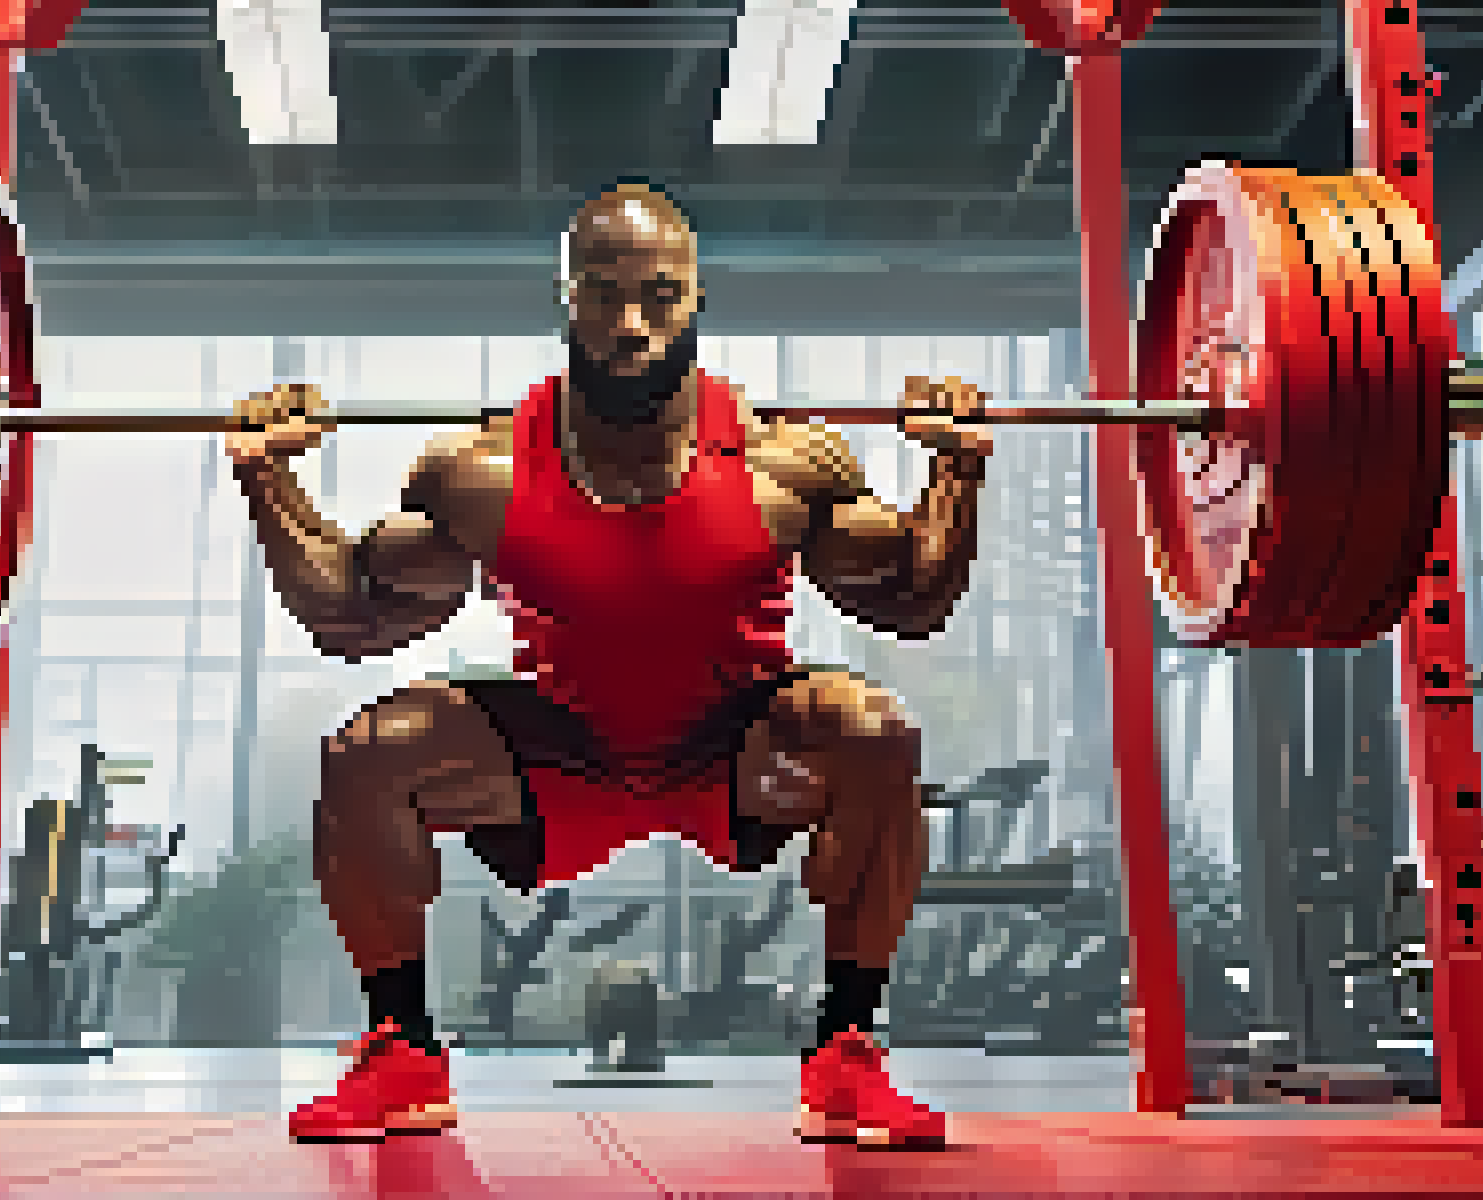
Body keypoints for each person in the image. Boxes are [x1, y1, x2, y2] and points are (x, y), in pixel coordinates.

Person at [228, 180, 991, 1148]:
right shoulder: (481, 473)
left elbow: (912, 602)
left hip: (738, 750)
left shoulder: (783, 463)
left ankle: (846, 1051)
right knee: (368, 752)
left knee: (872, 732)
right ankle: (402, 1052)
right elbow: (349, 616)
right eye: (602, 292)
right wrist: (268, 477)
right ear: (566, 300)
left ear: (697, 300)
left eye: (659, 295)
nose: (630, 324)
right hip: (563, 753)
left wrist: (957, 470)